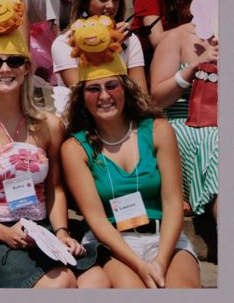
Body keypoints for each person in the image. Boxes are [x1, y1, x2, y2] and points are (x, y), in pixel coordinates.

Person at [0, 0, 111, 288]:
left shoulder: (49, 125)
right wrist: (5, 234)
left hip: (44, 228)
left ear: (27, 68)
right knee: (61, 283)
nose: (4, 69)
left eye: (14, 61)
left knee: (98, 280)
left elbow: (56, 189)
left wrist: (62, 231)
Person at [60, 32, 200, 288]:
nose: (104, 96)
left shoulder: (158, 130)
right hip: (113, 243)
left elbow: (172, 203)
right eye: (93, 89)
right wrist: (141, 265)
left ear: (125, 88)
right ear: (82, 96)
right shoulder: (74, 149)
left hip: (165, 237)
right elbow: (97, 220)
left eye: (112, 86)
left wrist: (160, 260)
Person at [150, 0, 218, 223]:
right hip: (186, 123)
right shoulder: (176, 38)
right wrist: (193, 68)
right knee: (219, 141)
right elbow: (155, 99)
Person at [51, 0, 147, 91]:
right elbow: (82, 93)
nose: (111, 6)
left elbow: (141, 94)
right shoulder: (64, 43)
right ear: (85, 2)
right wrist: (108, 48)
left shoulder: (130, 40)